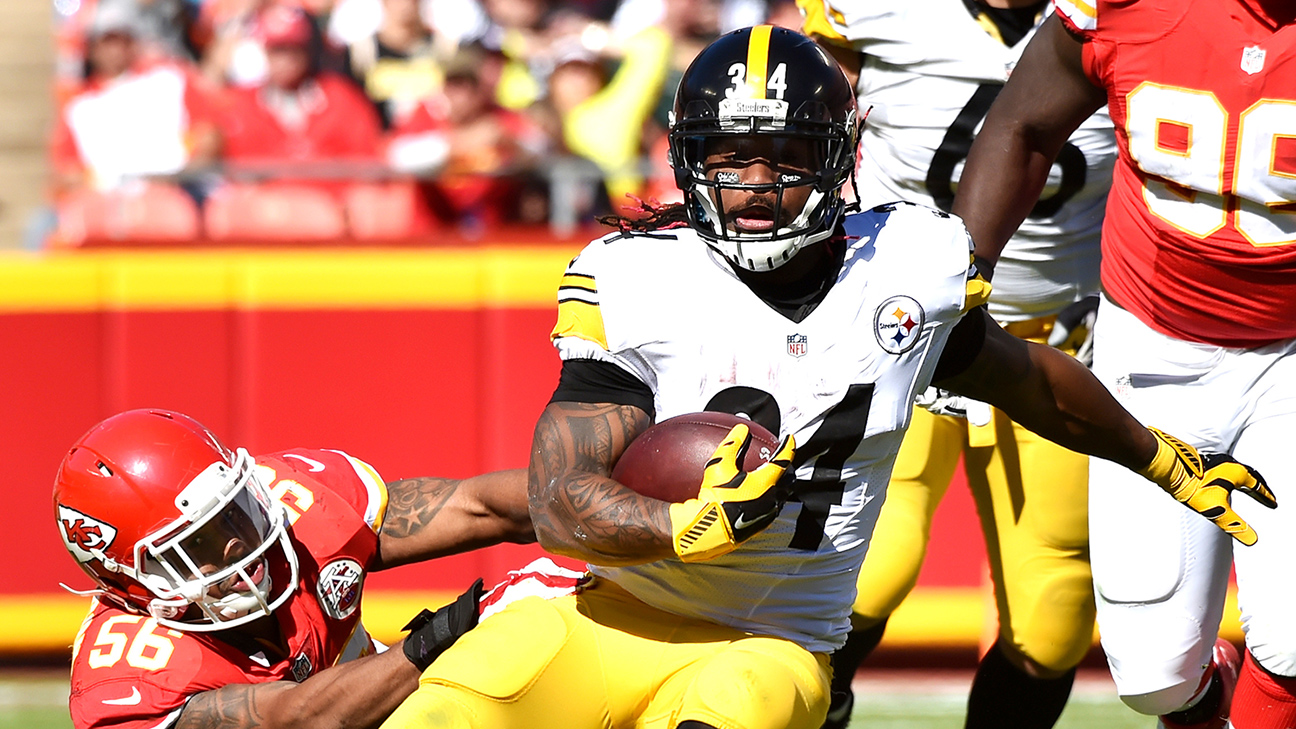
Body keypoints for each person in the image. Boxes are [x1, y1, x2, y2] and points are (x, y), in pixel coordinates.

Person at [380, 26, 1274, 729]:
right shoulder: (634, 276)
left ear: (840, 157)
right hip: (610, 615)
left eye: (789, 156)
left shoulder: (907, 268)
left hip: (771, 642)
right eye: (732, 157)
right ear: (693, 161)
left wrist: (1159, 456)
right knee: (441, 713)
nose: (760, 183)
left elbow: (1025, 380)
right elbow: (558, 490)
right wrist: (679, 523)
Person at [948, 2, 1296, 728]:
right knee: (1153, 673)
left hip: (1292, 352)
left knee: (1293, 642)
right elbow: (1025, 124)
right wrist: (961, 275)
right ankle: (1213, 694)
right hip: (1154, 343)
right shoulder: (1128, 6)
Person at [793, 1, 1116, 727]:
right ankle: (816, 705)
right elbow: (806, 124)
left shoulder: (1125, 15)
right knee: (866, 573)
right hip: (896, 331)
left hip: (1053, 337)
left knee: (1053, 617)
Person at [54, 407, 566, 729]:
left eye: (235, 512)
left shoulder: (295, 508)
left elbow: (475, 506)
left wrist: (598, 500)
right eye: (200, 543)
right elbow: (301, 717)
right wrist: (447, 634)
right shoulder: (131, 679)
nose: (239, 543)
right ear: (131, 579)